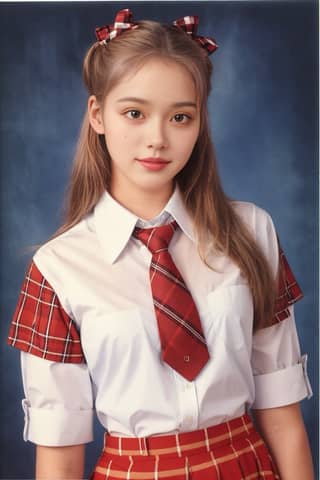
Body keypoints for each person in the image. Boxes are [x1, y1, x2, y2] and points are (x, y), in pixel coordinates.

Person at [7, 8, 314, 480]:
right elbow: (60, 453)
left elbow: (282, 413)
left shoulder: (253, 231)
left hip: (247, 466)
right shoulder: (57, 268)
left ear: (199, 122)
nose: (157, 139)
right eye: (134, 112)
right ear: (98, 115)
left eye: (180, 117)